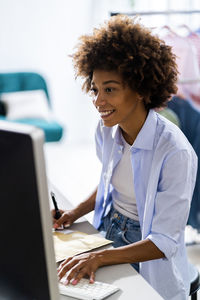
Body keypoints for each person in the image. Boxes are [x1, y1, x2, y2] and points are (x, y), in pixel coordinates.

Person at [52, 15, 198, 300]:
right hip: (110, 227)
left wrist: (99, 258)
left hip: (146, 244)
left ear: (141, 89)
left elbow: (164, 241)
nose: (98, 101)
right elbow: (112, 183)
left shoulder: (175, 151)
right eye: (95, 89)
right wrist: (73, 213)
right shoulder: (106, 130)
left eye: (110, 89)